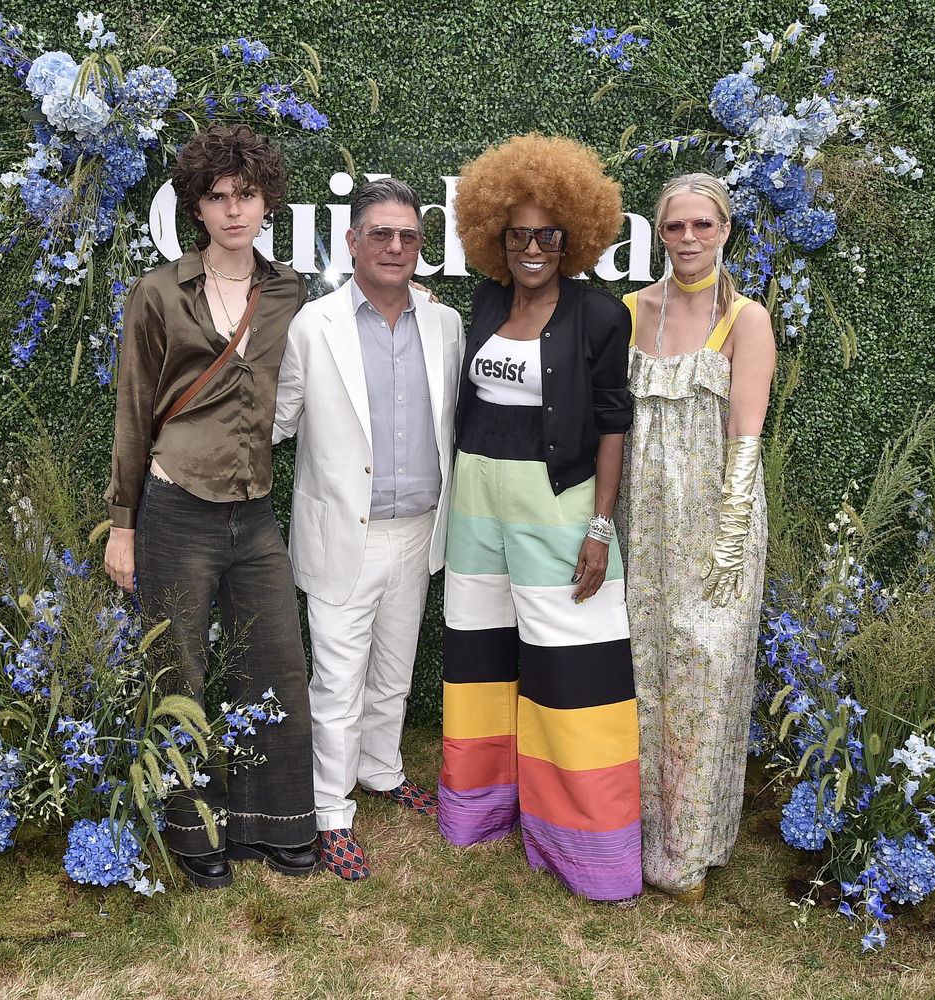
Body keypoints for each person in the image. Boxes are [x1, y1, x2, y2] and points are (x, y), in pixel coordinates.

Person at [103, 124, 317, 890]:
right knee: (178, 672)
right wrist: (122, 525)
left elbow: (337, 353)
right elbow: (133, 409)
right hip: (175, 507)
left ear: (267, 201)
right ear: (196, 207)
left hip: (254, 510)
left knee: (276, 667)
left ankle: (276, 824)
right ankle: (193, 832)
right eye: (218, 197)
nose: (234, 211)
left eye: (247, 195)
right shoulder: (161, 291)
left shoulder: (292, 292)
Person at [438, 133, 642, 904]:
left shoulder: (597, 314)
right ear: (497, 234)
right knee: (480, 660)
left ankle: (587, 845)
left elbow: (615, 423)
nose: (531, 247)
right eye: (517, 233)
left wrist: (600, 527)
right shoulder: (486, 301)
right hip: (476, 501)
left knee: (573, 669)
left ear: (572, 237)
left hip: (555, 505)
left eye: (546, 234)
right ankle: (481, 810)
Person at [273, 178, 465, 880]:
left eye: (408, 236)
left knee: (394, 669)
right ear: (351, 242)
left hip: (419, 528)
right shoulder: (312, 325)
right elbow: (278, 420)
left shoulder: (444, 324)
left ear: (422, 247)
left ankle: (383, 770)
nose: (394, 246)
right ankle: (330, 809)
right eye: (379, 234)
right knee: (338, 681)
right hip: (340, 534)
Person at [616, 172, 775, 904]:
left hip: (715, 522)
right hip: (640, 525)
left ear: (725, 230)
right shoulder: (627, 311)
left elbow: (746, 438)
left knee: (704, 680)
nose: (688, 238)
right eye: (675, 226)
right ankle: (633, 836)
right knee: (643, 672)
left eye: (702, 226)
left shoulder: (747, 319)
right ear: (658, 231)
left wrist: (733, 537)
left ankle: (689, 849)